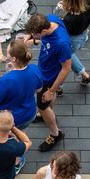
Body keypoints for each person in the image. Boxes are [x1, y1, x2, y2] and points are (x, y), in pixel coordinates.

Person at [24, 13, 72, 152]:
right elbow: (41, 39)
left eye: (35, 34)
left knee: (42, 105)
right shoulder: (50, 19)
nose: (33, 36)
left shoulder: (61, 43)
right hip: (44, 72)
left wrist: (51, 91)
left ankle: (55, 134)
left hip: (49, 78)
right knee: (46, 105)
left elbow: (66, 68)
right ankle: (48, 112)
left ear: (44, 31)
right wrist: (32, 39)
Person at [0, 40, 43, 134]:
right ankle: (13, 138)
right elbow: (39, 89)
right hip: (29, 115)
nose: (7, 54)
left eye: (8, 52)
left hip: (8, 118)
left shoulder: (5, 80)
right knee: (16, 132)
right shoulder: (35, 69)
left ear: (14, 59)